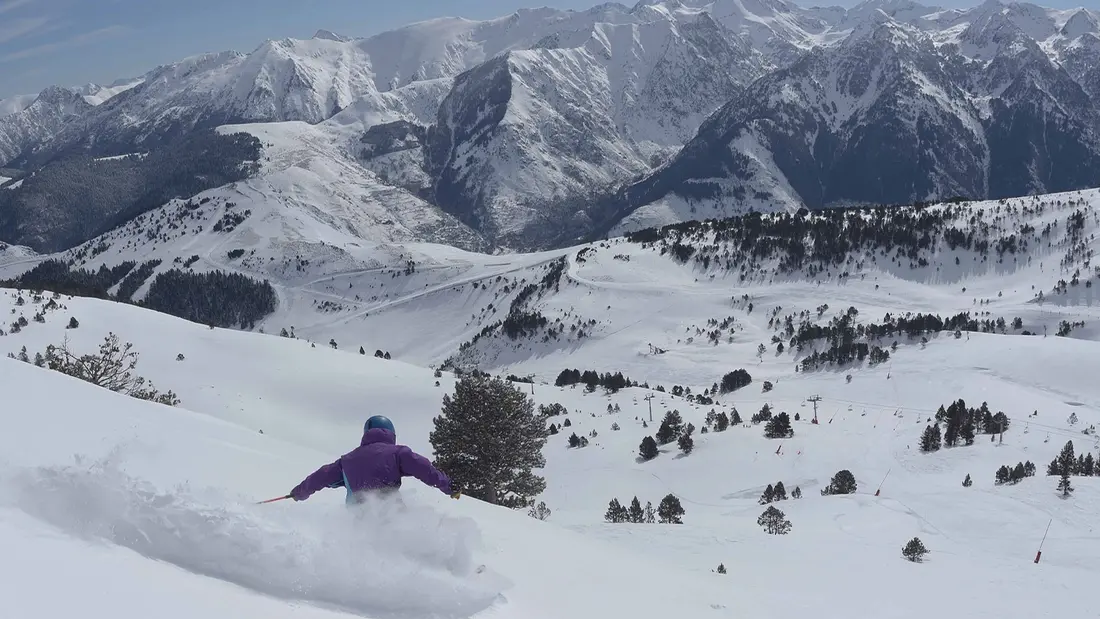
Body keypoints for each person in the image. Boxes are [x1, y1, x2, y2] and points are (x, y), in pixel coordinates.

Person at [289, 415, 460, 504]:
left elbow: (322, 476)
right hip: (390, 512)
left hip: (357, 517)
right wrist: (448, 486)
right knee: (407, 543)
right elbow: (424, 469)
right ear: (391, 434)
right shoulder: (398, 453)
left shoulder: (347, 460)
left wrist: (299, 492)